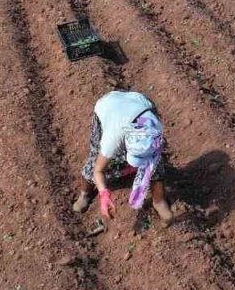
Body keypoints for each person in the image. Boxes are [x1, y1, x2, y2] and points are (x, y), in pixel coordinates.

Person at [72, 90, 175, 226]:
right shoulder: (112, 138)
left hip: (139, 103)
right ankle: (85, 193)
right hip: (108, 105)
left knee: (154, 163)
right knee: (96, 157)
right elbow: (98, 170)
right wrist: (104, 194)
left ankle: (159, 201)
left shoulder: (154, 128)